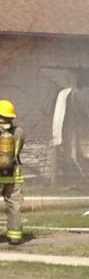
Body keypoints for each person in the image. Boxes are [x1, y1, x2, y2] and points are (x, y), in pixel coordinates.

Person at [0, 100, 24, 245]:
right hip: (13, 174)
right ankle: (15, 236)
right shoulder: (19, 132)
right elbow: (18, 150)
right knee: (14, 206)